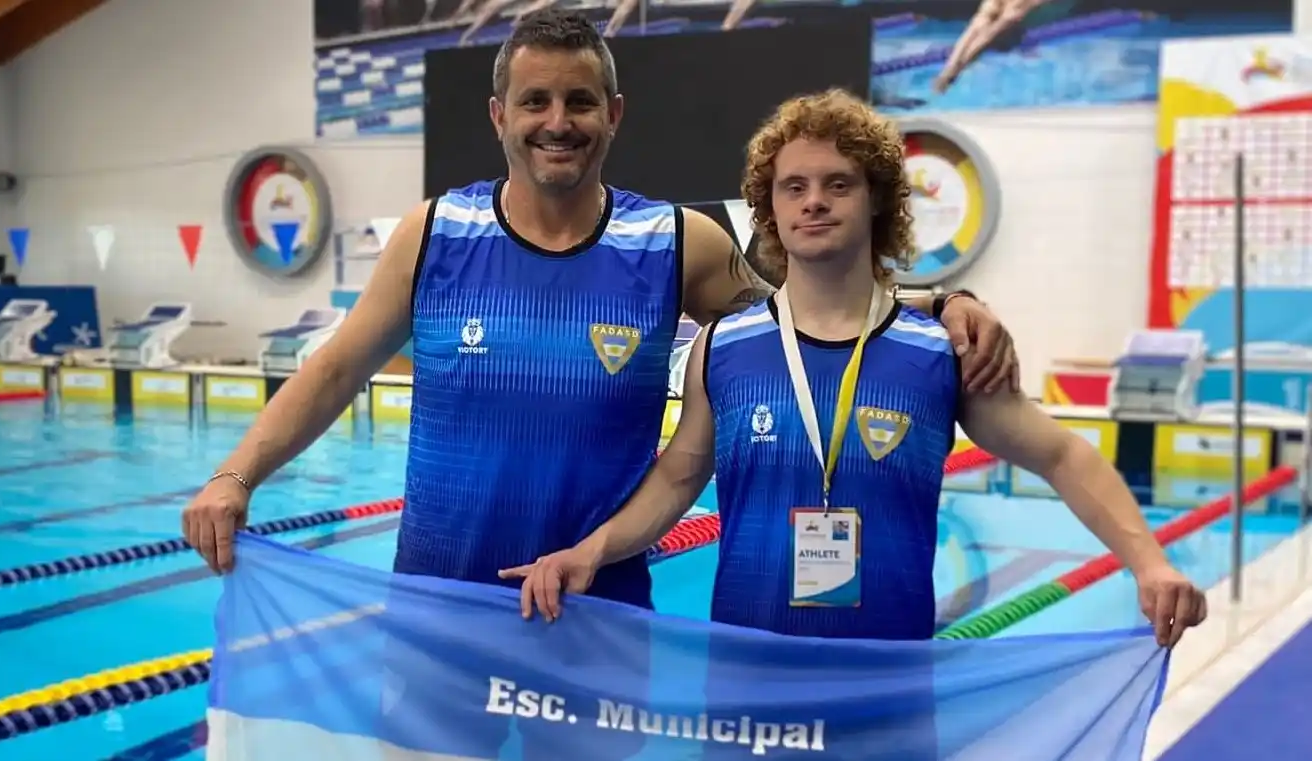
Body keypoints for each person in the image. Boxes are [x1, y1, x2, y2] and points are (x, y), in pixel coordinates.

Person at [184, 10, 1018, 759]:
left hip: (596, 617)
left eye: (580, 101)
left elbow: (812, 319)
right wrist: (235, 474)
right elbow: (332, 370)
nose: (558, 122)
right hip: (439, 614)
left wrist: (939, 303)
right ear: (498, 116)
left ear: (613, 115)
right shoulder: (435, 233)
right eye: (536, 101)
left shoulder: (673, 243)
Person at [502, 88, 1206, 649]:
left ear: (877, 199)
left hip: (886, 685)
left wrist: (1149, 562)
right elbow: (675, 482)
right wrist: (587, 552)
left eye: (838, 183)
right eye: (794, 186)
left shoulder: (938, 351)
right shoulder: (723, 348)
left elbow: (1062, 454)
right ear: (769, 211)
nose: (814, 201)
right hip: (748, 675)